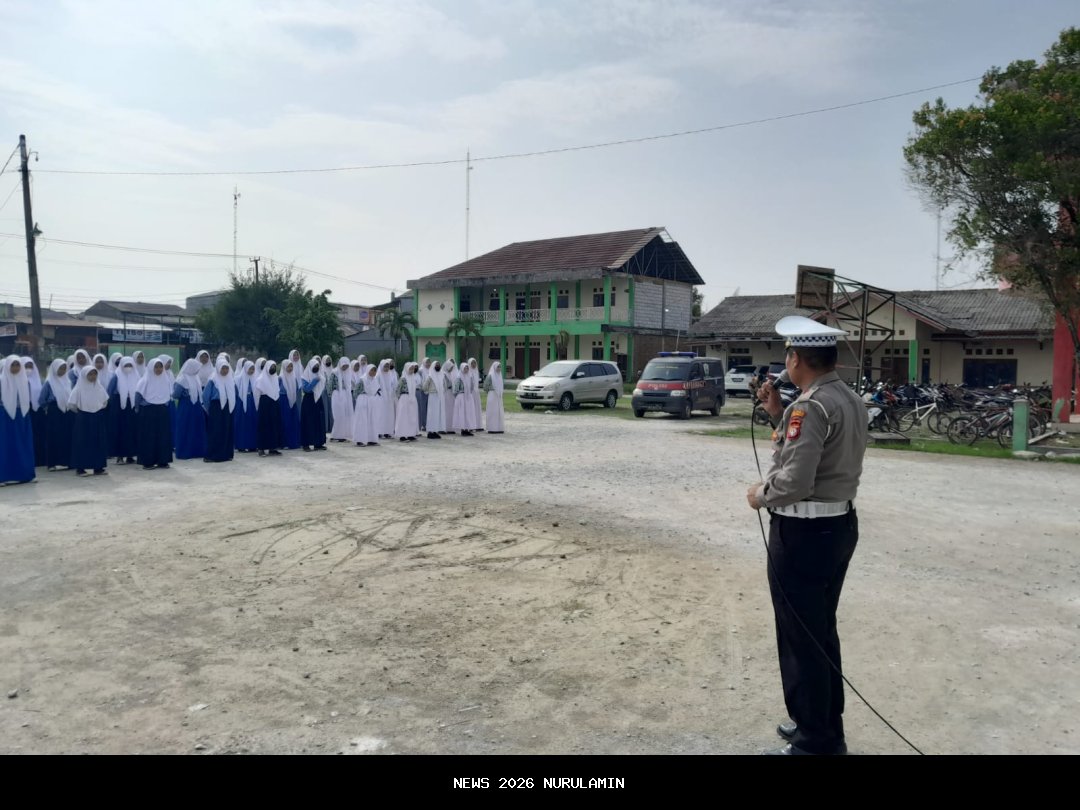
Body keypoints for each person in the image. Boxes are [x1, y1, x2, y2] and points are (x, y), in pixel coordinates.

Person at [748, 316, 866, 757]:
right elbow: (817, 451)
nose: (786, 362)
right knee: (820, 630)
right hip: (836, 528)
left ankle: (817, 742)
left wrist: (759, 495)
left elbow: (794, 480)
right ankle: (816, 720)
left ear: (796, 358)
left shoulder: (811, 406)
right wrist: (778, 412)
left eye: (788, 355)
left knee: (801, 636)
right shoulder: (846, 399)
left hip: (804, 531)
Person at [67, 365, 110, 477]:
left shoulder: (99, 387)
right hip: (83, 419)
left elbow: (105, 402)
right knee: (82, 442)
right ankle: (80, 468)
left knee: (98, 442)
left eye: (94, 374)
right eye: (90, 374)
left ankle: (98, 467)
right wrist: (82, 412)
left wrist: (96, 409)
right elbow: (71, 404)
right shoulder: (78, 388)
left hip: (97, 417)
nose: (93, 376)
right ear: (84, 375)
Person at [0, 355, 36, 485]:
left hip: (22, 415)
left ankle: (25, 474)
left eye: (17, 365)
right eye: (13, 365)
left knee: (23, 445)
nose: (15, 368)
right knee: (4, 445)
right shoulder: (1, 380)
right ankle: (2, 476)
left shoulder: (24, 380)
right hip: (5, 416)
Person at [134, 358, 174, 470]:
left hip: (162, 411)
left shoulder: (165, 379)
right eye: (156, 367)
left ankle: (163, 460)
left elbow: (169, 394)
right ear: (151, 367)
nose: (159, 369)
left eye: (160, 367)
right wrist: (138, 409)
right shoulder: (145, 380)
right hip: (148, 411)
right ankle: (148, 461)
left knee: (163, 436)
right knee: (148, 437)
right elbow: (138, 396)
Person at [40, 359, 74, 471]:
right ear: (54, 368)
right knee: (53, 437)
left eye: (64, 368)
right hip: (54, 412)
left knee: (67, 436)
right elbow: (41, 399)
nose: (62, 371)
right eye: (60, 368)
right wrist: (48, 409)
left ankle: (67, 461)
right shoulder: (49, 382)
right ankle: (51, 463)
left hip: (66, 412)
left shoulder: (68, 382)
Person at [202, 359, 236, 463]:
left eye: (226, 368)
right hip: (216, 407)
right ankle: (212, 455)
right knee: (215, 431)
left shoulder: (230, 379)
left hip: (227, 407)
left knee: (226, 430)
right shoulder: (213, 380)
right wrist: (209, 409)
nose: (225, 371)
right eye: (223, 368)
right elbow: (205, 396)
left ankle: (225, 454)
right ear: (218, 368)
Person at [173, 358, 207, 460]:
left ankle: (197, 451)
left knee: (196, 428)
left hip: (196, 406)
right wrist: (185, 394)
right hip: (185, 407)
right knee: (185, 428)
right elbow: (175, 394)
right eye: (196, 368)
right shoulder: (182, 379)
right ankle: (184, 452)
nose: (197, 370)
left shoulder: (196, 378)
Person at [107, 357, 139, 464]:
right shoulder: (116, 376)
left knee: (131, 431)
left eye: (130, 365)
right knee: (120, 430)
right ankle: (119, 456)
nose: (128, 368)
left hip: (132, 406)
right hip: (119, 407)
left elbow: (139, 391)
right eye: (126, 365)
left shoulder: (136, 376)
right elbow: (110, 392)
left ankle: (130, 455)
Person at [255, 360, 284, 457]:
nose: (273, 369)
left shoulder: (276, 378)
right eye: (271, 367)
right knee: (264, 426)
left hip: (274, 404)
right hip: (264, 404)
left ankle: (273, 448)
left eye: (274, 367)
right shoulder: (261, 379)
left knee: (274, 426)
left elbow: (276, 391)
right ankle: (261, 448)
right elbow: (257, 394)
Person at [21, 356, 46, 467]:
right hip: (25, 411)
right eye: (26, 366)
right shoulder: (19, 381)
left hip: (38, 412)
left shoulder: (39, 380)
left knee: (39, 436)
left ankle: (40, 459)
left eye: (30, 366)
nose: (29, 369)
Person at [300, 357, 328, 452]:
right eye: (314, 366)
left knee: (318, 421)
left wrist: (319, 380)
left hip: (318, 400)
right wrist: (314, 381)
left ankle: (318, 443)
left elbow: (322, 387)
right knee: (308, 422)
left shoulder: (321, 375)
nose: (316, 367)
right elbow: (306, 389)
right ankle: (306, 444)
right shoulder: (305, 376)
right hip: (309, 400)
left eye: (317, 366)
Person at [351, 363, 380, 447]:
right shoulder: (362, 379)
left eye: (375, 370)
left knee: (372, 420)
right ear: (368, 370)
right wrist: (361, 400)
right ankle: (360, 440)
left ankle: (371, 439)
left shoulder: (375, 380)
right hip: (363, 400)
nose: (373, 372)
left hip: (372, 401)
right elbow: (355, 392)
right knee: (361, 420)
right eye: (372, 370)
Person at [234, 360, 259, 453]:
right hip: (241, 403)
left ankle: (253, 445)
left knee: (252, 424)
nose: (251, 371)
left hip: (252, 403)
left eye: (253, 369)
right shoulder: (238, 378)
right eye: (250, 369)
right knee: (242, 425)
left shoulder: (255, 378)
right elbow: (235, 392)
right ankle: (241, 445)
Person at [328, 357, 354, 442]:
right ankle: (335, 435)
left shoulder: (347, 373)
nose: (345, 367)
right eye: (343, 365)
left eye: (347, 365)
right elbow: (330, 386)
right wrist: (331, 395)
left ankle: (342, 435)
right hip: (336, 395)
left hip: (345, 396)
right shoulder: (334, 372)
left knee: (344, 416)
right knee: (338, 416)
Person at [279, 358, 302, 450]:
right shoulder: (280, 378)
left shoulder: (294, 377)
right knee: (285, 422)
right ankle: (284, 443)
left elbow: (296, 389)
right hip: (283, 402)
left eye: (291, 366)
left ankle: (294, 442)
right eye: (288, 366)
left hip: (292, 402)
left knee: (293, 422)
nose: (290, 368)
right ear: (284, 367)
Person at [394, 363, 420, 441]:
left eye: (413, 369)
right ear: (406, 369)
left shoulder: (413, 378)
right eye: (410, 369)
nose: (412, 370)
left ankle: (410, 434)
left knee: (411, 417)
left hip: (412, 398)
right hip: (404, 398)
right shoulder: (403, 379)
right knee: (403, 417)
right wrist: (400, 399)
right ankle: (402, 435)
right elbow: (397, 390)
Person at [421, 360, 445, 439]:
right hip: (432, 396)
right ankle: (430, 432)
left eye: (439, 365)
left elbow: (444, 385)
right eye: (436, 365)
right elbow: (424, 387)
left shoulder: (441, 375)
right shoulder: (430, 376)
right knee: (432, 415)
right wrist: (429, 392)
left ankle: (435, 431)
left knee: (438, 414)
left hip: (439, 397)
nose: (438, 366)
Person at [374, 360, 396, 439]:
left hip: (389, 397)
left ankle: (387, 432)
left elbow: (392, 385)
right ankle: (380, 432)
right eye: (385, 366)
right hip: (380, 398)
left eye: (388, 366)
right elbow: (376, 386)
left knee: (389, 415)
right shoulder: (378, 375)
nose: (387, 368)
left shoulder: (390, 374)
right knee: (381, 415)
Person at [453, 361, 476, 437]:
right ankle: (463, 430)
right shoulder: (459, 377)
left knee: (468, 413)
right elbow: (455, 389)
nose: (466, 370)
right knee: (462, 413)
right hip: (461, 397)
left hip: (468, 397)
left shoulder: (469, 377)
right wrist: (459, 397)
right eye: (465, 368)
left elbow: (472, 387)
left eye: (467, 368)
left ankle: (468, 429)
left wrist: (469, 394)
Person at [483, 361, 505, 434]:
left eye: (500, 367)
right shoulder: (490, 375)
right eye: (498, 367)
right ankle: (492, 428)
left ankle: (499, 428)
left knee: (499, 412)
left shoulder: (500, 375)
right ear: (494, 367)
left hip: (499, 397)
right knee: (492, 412)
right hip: (492, 396)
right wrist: (491, 392)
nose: (499, 368)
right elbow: (485, 386)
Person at [442, 359, 458, 433]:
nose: (452, 369)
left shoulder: (451, 374)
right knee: (446, 410)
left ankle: (451, 428)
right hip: (446, 393)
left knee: (451, 410)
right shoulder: (443, 374)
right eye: (451, 367)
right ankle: (445, 427)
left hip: (451, 394)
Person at [468, 358, 483, 431]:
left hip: (476, 393)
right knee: (471, 409)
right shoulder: (468, 372)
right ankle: (471, 426)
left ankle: (478, 425)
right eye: (472, 363)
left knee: (477, 408)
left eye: (475, 363)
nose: (473, 365)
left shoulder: (476, 372)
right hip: (471, 393)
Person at [417, 357, 431, 432]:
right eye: (427, 362)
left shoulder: (431, 370)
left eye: (429, 362)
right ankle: (423, 424)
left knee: (429, 409)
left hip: (430, 392)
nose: (428, 364)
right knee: (423, 409)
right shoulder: (421, 371)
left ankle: (428, 424)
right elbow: (420, 381)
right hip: (422, 392)